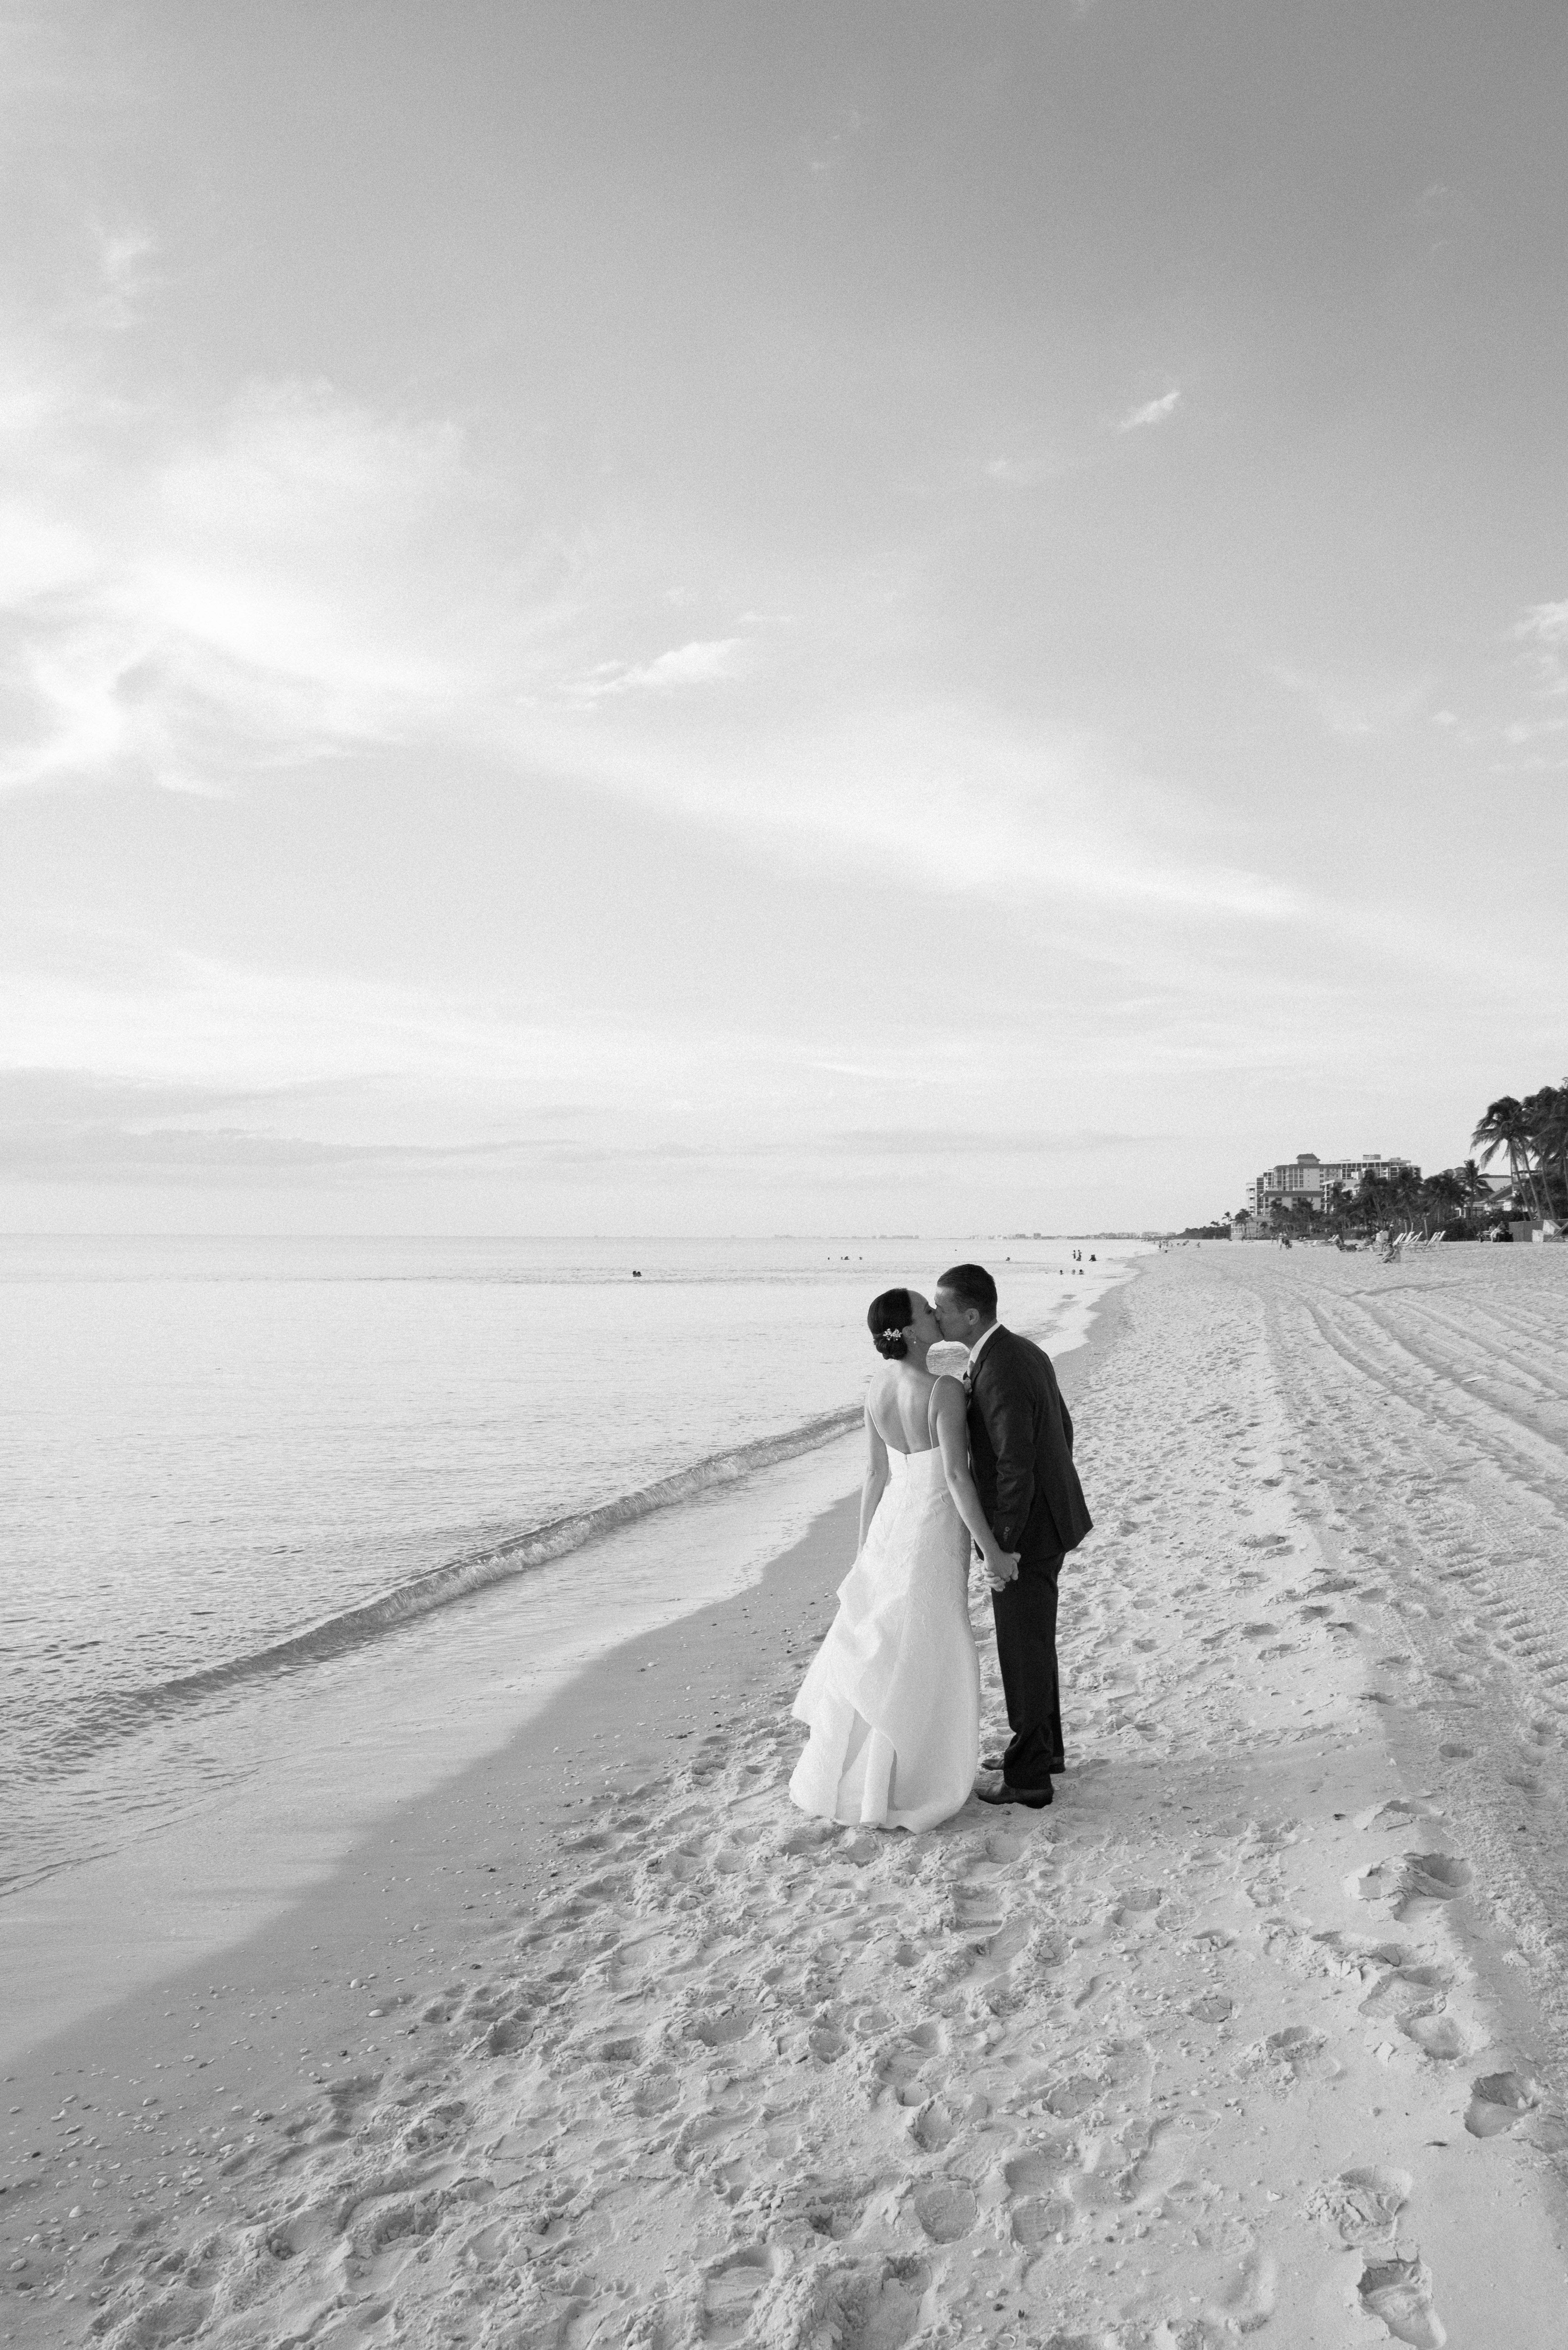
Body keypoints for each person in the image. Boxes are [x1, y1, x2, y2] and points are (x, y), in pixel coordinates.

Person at [788, 1288, 1015, 1831]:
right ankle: (912, 1779)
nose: (936, 1315)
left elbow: (874, 1475)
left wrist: (864, 1550)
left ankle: (867, 1774)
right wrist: (991, 1549)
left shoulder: (877, 1386)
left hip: (892, 1523)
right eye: (925, 1310)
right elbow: (959, 1477)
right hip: (933, 1526)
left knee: (886, 1638)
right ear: (911, 1331)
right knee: (926, 1642)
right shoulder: (941, 1391)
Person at [933, 1262, 1092, 1810]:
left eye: (942, 1309)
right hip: (1048, 1520)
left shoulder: (1000, 1367)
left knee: (1021, 1651)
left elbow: (1014, 1466)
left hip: (1026, 1533)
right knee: (1033, 1644)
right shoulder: (1021, 1351)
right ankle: (1043, 1753)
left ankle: (1028, 1779)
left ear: (970, 1315)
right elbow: (1062, 1432)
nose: (935, 1316)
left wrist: (1000, 1548)